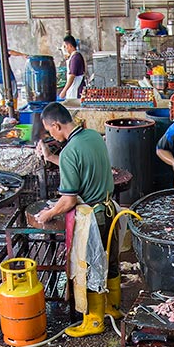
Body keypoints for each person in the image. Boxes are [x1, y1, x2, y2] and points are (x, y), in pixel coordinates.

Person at [33, 103, 121, 335]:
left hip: (93, 219)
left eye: (49, 130)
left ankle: (94, 322)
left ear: (56, 125)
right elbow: (80, 166)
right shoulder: (92, 136)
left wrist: (48, 213)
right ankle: (112, 308)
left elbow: (69, 200)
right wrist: (51, 157)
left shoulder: (71, 151)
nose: (50, 134)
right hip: (110, 210)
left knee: (90, 267)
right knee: (109, 261)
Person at [0, 35, 25, 102]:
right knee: (13, 93)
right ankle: (14, 110)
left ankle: (4, 110)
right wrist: (23, 55)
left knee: (2, 95)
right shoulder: (1, 49)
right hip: (6, 74)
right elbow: (11, 52)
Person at [59, 35, 86, 100]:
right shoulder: (72, 57)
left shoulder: (75, 58)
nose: (65, 49)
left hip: (76, 91)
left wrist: (64, 91)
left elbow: (72, 76)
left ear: (70, 46)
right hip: (72, 90)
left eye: (65, 46)